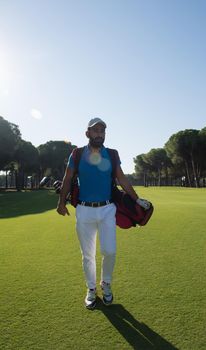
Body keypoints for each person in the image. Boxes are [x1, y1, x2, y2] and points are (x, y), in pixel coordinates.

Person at [56, 117, 151, 309]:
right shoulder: (77, 154)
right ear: (88, 133)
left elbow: (122, 179)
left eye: (102, 131)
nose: (99, 133)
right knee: (88, 255)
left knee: (110, 251)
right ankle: (91, 289)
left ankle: (105, 284)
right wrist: (61, 203)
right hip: (84, 210)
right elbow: (67, 179)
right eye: (96, 130)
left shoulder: (113, 154)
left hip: (108, 209)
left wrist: (137, 199)